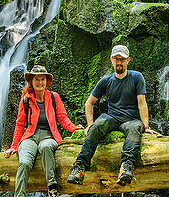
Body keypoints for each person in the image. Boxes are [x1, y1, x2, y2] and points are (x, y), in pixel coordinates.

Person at [67, 44, 160, 188]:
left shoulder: (136, 77)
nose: (119, 62)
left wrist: (146, 126)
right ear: (111, 60)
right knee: (97, 127)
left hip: (131, 120)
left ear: (128, 60)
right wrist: (90, 124)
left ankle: (126, 167)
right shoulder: (106, 80)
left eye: (122, 59)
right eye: (116, 59)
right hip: (112, 117)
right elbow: (89, 103)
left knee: (135, 129)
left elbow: (142, 103)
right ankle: (79, 168)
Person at [3, 64, 83, 197]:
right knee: (24, 162)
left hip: (49, 136)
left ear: (47, 81)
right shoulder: (26, 100)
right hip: (30, 137)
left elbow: (62, 117)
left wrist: (74, 128)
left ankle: (52, 190)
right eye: (37, 79)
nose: (40, 82)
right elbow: (20, 124)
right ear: (31, 82)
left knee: (46, 148)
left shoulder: (53, 97)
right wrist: (14, 146)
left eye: (42, 79)